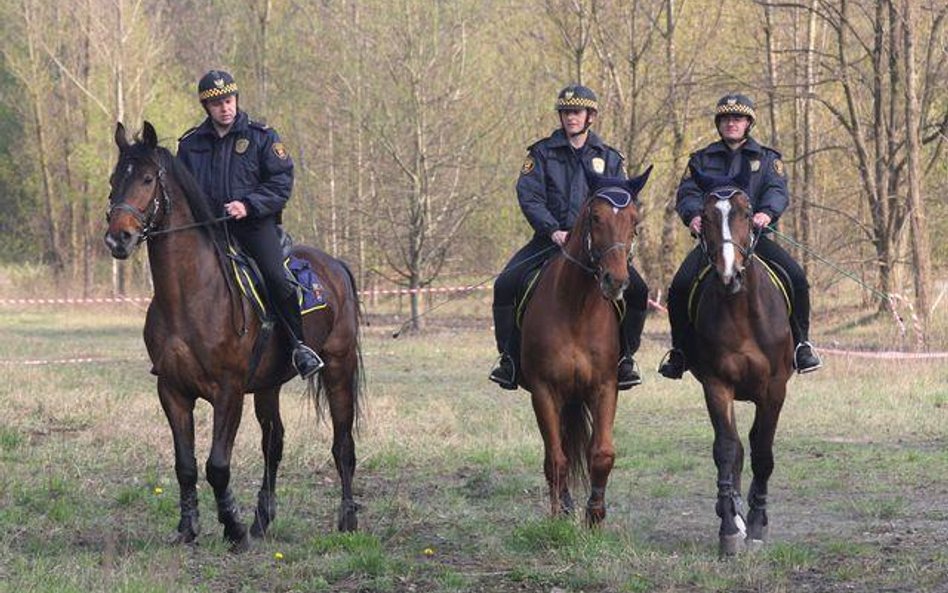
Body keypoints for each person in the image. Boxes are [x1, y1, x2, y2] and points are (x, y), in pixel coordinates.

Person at [489, 84, 650, 391]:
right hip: (551, 239)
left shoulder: (610, 157)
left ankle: (625, 359)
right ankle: (508, 359)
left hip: (599, 245)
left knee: (638, 290)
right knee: (506, 283)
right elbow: (529, 196)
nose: (570, 118)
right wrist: (552, 229)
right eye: (565, 113)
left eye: (576, 112)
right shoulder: (541, 153)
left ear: (590, 116)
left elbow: (622, 201)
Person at [658, 93, 822, 379]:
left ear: (748, 123)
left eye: (737, 119)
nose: (731, 123)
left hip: (754, 241)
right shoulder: (700, 160)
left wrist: (767, 213)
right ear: (719, 124)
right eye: (726, 119)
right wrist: (693, 215)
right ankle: (680, 351)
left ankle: (801, 345)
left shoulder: (768, 159)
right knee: (679, 287)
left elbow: (777, 190)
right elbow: (687, 194)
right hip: (713, 244)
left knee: (796, 278)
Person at [176, 69, 323, 380]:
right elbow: (181, 191)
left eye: (228, 101)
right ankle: (173, 348)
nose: (225, 108)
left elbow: (282, 182)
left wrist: (249, 205)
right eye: (217, 104)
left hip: (254, 227)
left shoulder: (261, 137)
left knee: (276, 279)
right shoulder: (190, 145)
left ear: (236, 99)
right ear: (207, 107)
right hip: (209, 233)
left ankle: (299, 347)